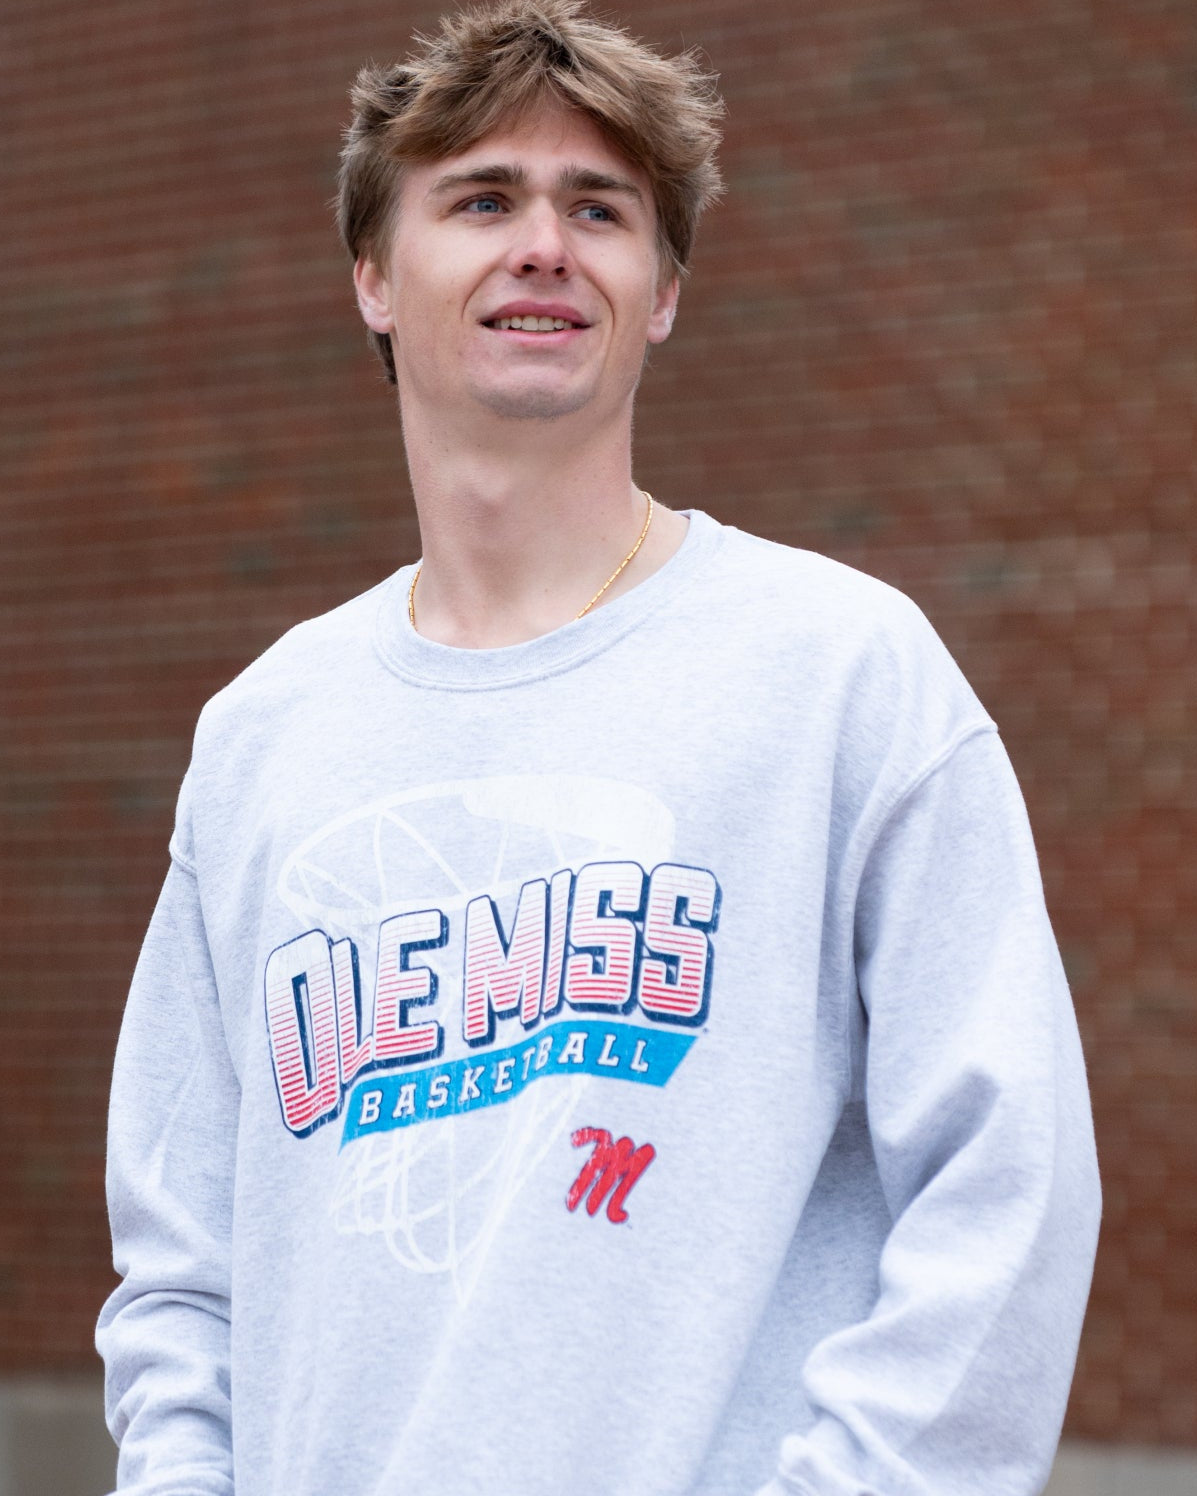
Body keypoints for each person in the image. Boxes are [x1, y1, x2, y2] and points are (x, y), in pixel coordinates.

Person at [97, 2, 1101, 1493]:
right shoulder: (264, 734)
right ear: (374, 275)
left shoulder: (836, 670)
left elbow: (1006, 1189)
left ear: (664, 288)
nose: (545, 245)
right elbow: (183, 1268)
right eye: (482, 198)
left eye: (601, 208)